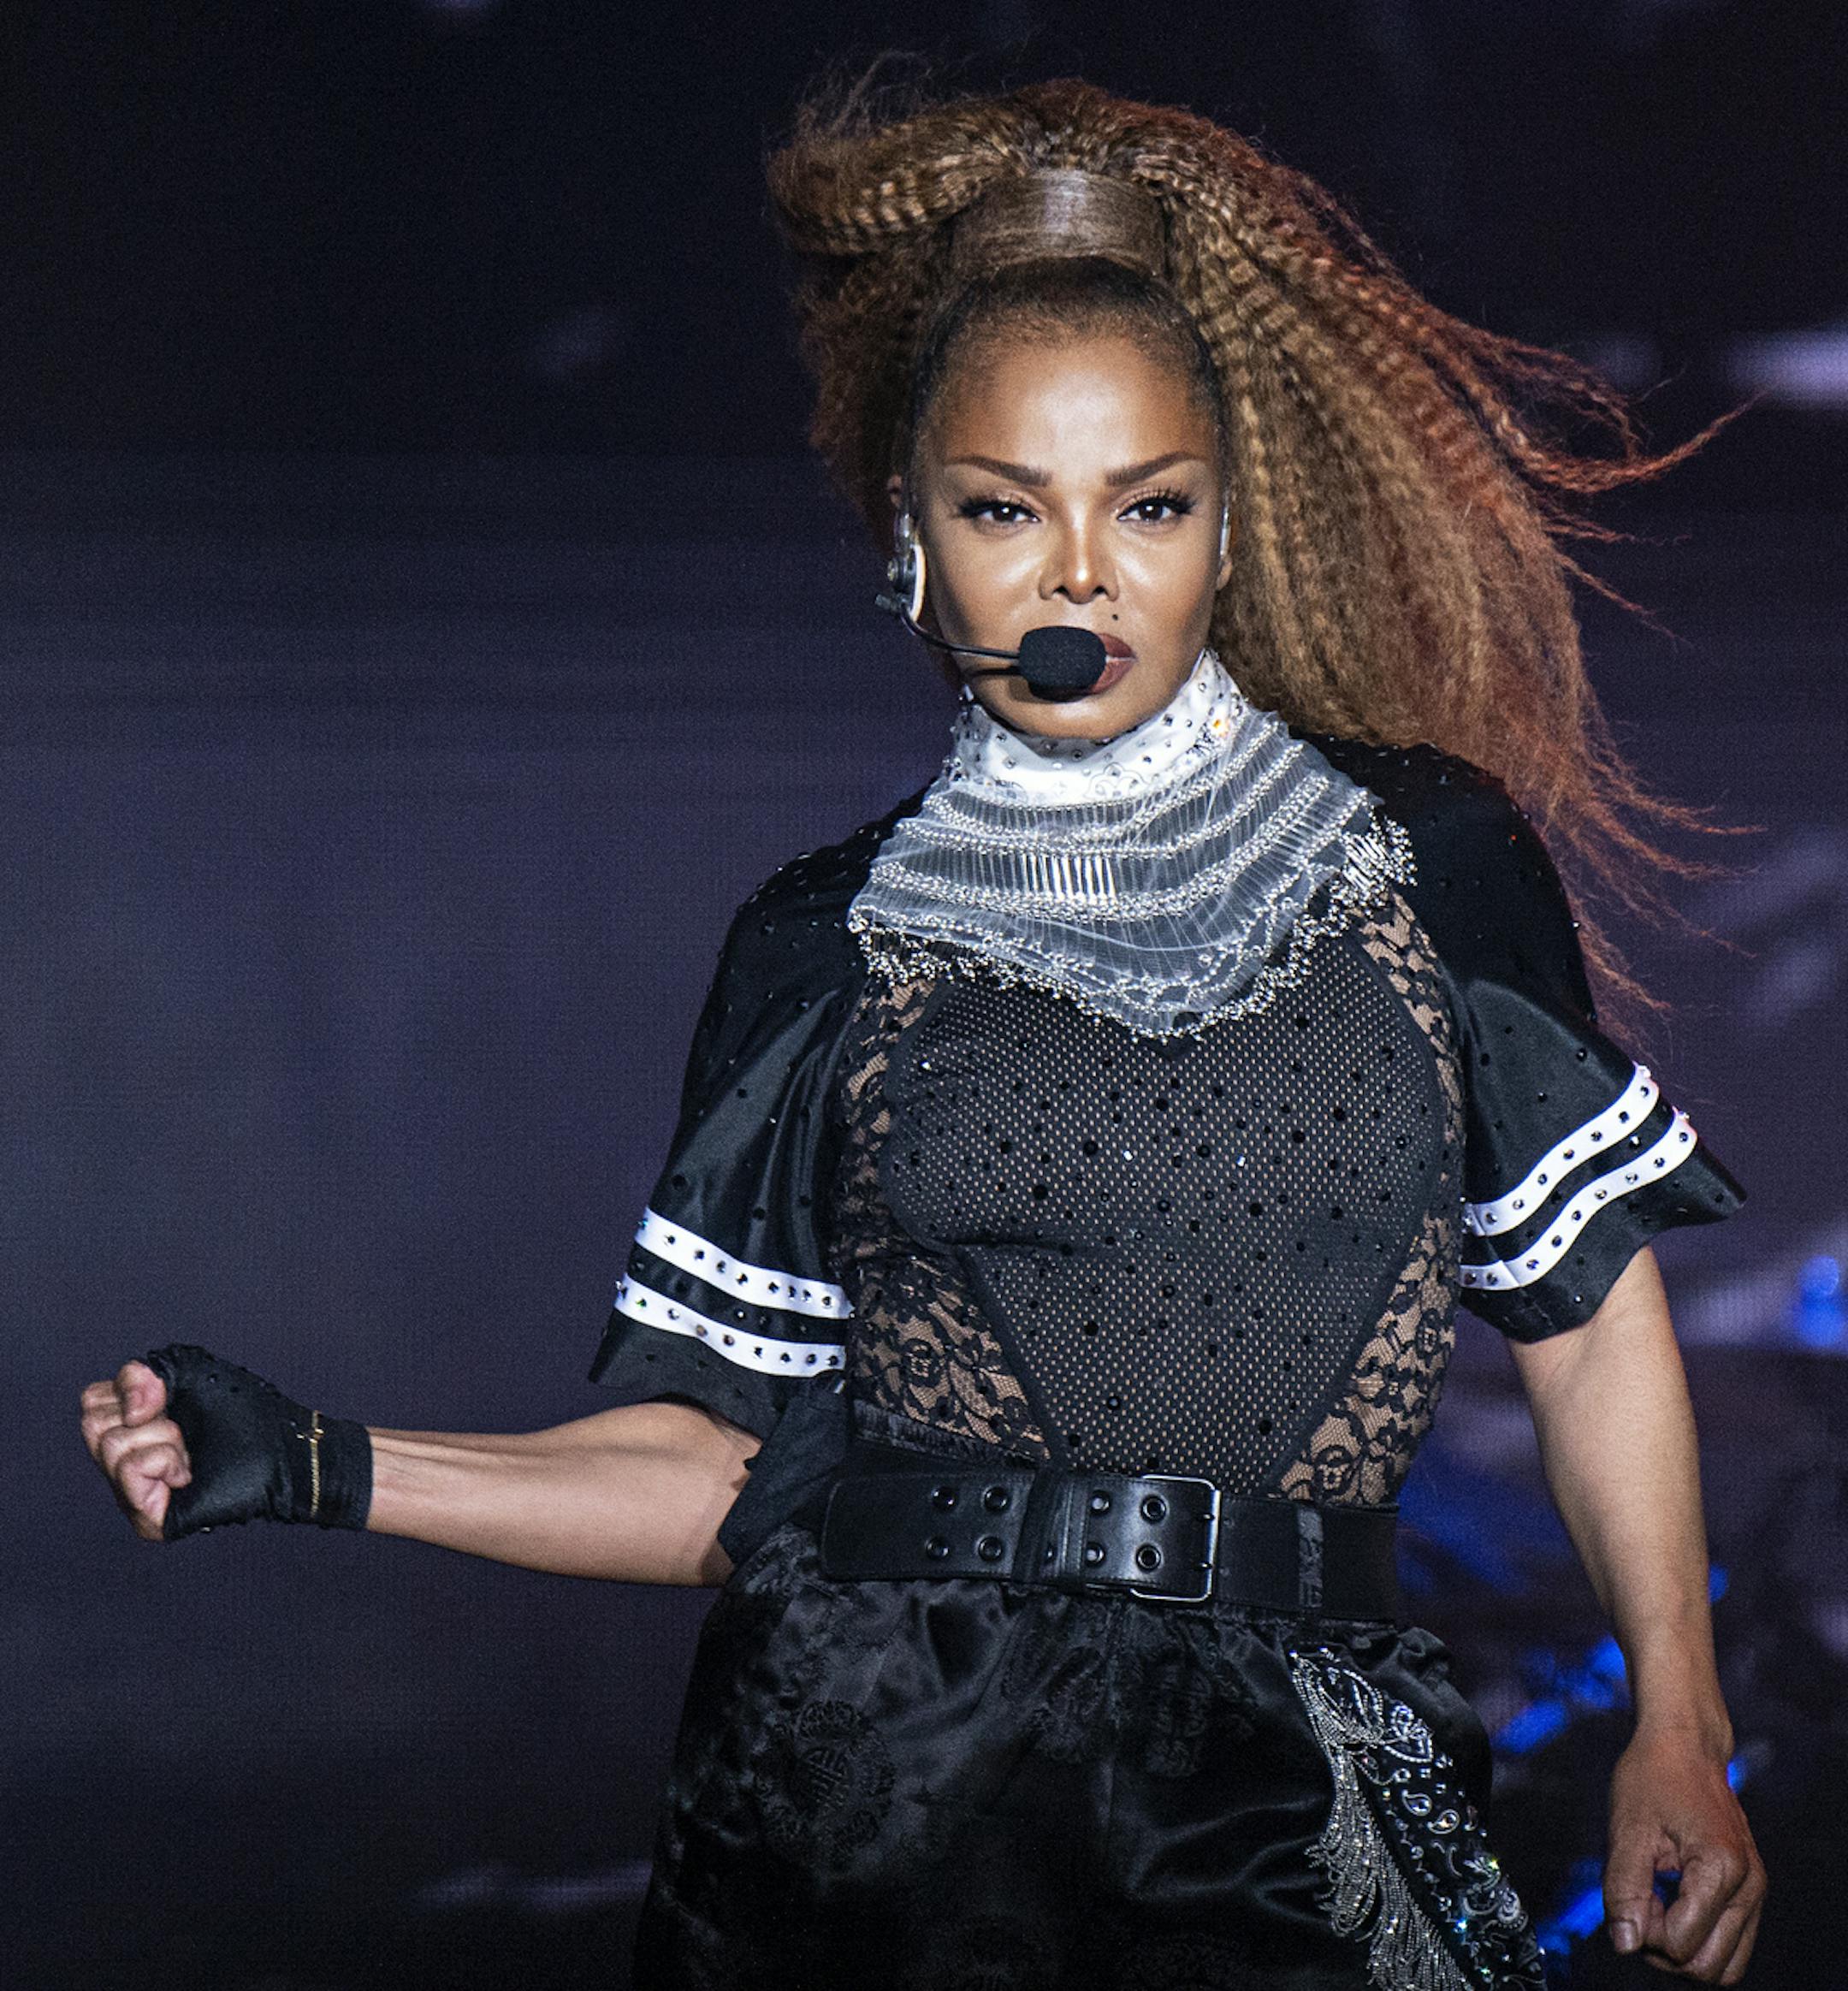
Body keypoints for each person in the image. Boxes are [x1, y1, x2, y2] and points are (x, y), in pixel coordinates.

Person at [82, 76, 1766, 1991]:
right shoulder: (822, 947)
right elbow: (736, 1478)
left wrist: (1681, 1725)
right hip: (869, 1808)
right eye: (1003, 508)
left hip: (1300, 1781)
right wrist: (315, 1461)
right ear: (914, 539)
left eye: (1148, 507)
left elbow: (1586, 1324)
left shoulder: (1434, 867)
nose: (1078, 574)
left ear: (1225, 532)